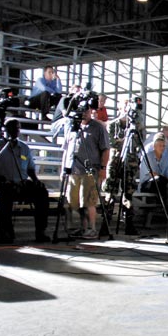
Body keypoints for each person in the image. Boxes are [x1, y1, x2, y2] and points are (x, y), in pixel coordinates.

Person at [0, 118, 50, 243]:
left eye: (18, 128)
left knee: (42, 193)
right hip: (1, 184)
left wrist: (36, 180)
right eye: (13, 128)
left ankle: (40, 232)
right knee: (4, 197)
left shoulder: (24, 147)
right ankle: (6, 232)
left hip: (21, 183)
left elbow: (30, 168)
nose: (16, 131)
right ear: (5, 129)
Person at [62, 104, 110, 239]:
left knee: (88, 201)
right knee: (73, 202)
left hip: (90, 170)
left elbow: (105, 150)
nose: (83, 113)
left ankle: (91, 228)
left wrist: (103, 168)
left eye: (86, 111)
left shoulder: (98, 128)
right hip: (73, 170)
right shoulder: (71, 127)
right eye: (81, 111)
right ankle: (81, 228)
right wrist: (63, 169)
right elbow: (66, 150)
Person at [102, 99, 142, 235]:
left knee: (128, 193)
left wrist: (125, 138)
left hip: (130, 163)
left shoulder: (137, 126)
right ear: (119, 109)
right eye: (124, 107)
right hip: (115, 162)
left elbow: (139, 143)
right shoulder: (113, 125)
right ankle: (106, 224)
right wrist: (125, 140)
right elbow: (112, 142)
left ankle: (129, 224)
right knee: (110, 192)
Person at [140, 133, 168, 200]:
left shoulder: (166, 158)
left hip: (161, 183)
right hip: (147, 184)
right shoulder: (148, 156)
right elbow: (152, 174)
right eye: (160, 145)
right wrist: (165, 179)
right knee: (159, 180)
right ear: (154, 146)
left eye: (163, 146)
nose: (162, 148)